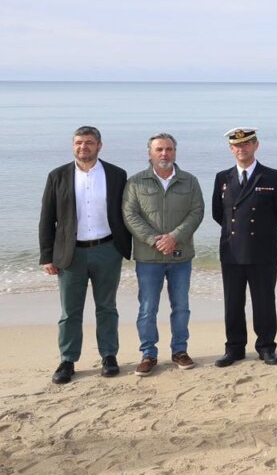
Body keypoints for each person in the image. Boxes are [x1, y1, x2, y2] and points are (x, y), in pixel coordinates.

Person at [38, 126, 132, 384]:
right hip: (71, 254)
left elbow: (127, 213)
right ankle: (67, 360)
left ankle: (109, 356)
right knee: (70, 311)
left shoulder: (117, 174)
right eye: (79, 142)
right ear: (73, 145)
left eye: (89, 142)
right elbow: (47, 218)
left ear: (99, 146)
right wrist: (47, 256)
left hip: (107, 250)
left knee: (107, 307)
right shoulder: (57, 176)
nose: (83, 147)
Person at [122, 132, 205, 376]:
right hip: (148, 258)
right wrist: (154, 240)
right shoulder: (135, 182)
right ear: (150, 153)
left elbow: (197, 212)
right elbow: (130, 215)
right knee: (148, 308)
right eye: (159, 149)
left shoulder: (190, 181)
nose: (164, 154)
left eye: (169, 149)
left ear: (175, 152)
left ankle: (180, 351)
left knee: (181, 306)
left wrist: (174, 237)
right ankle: (148, 354)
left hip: (181, 255)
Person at [212, 128, 277, 367]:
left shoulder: (272, 176)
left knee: (264, 302)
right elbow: (218, 213)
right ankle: (234, 348)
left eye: (246, 143)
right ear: (231, 149)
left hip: (263, 249)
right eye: (237, 145)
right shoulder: (222, 177)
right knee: (233, 303)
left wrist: (263, 231)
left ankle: (266, 347)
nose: (241, 149)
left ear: (256, 145)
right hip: (232, 250)